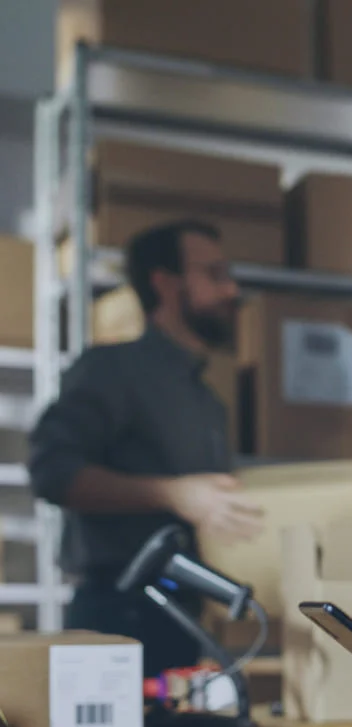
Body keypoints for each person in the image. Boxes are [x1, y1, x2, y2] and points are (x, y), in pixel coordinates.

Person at [29, 220, 263, 677]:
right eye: (213, 274)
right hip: (116, 614)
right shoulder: (111, 369)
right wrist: (173, 495)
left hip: (182, 615)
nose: (231, 289)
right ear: (165, 283)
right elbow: (52, 471)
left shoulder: (207, 400)